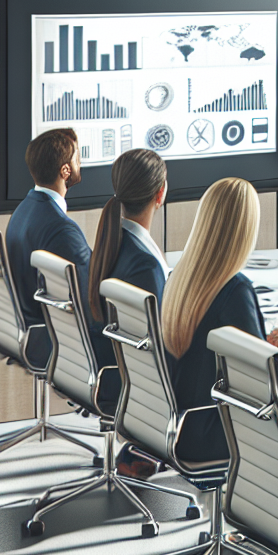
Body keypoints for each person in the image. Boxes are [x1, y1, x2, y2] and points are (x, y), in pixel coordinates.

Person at [162, 178, 278, 463]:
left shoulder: (180, 277)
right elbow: (261, 380)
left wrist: (265, 344)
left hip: (178, 423)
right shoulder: (235, 291)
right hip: (215, 433)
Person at [5, 128, 90, 368]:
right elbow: (88, 296)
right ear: (65, 170)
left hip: (24, 330)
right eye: (77, 158)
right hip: (51, 339)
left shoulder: (23, 210)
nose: (80, 162)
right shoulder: (61, 229)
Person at [87, 149, 169, 396]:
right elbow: (161, 346)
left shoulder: (114, 243)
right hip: (140, 386)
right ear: (160, 194)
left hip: (116, 372)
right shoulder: (145, 265)